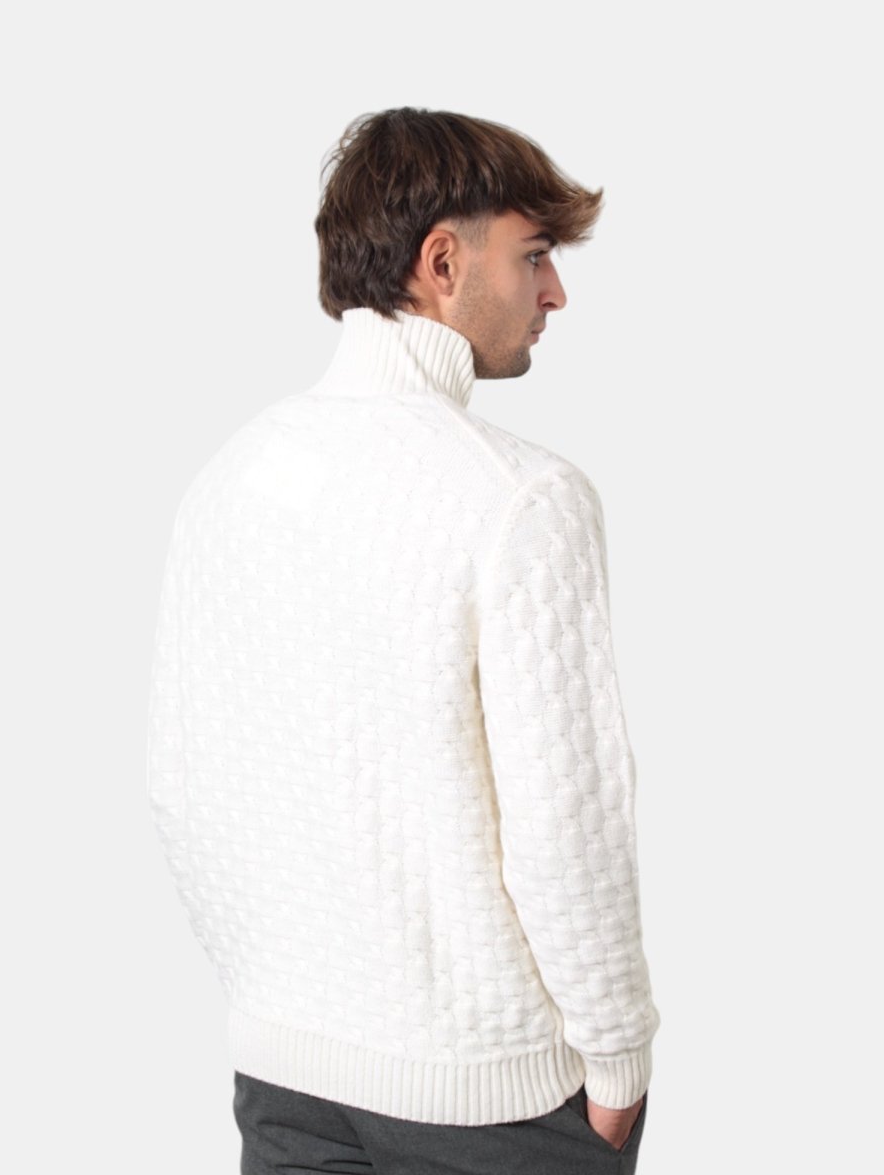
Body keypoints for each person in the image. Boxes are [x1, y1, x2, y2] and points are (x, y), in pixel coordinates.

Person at [146, 106, 661, 1174]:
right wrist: (617, 1058)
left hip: (286, 1078)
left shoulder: (232, 475)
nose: (555, 293)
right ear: (441, 262)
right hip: (491, 1103)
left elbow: (180, 783)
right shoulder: (523, 498)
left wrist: (276, 1001)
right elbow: (566, 825)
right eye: (534, 255)